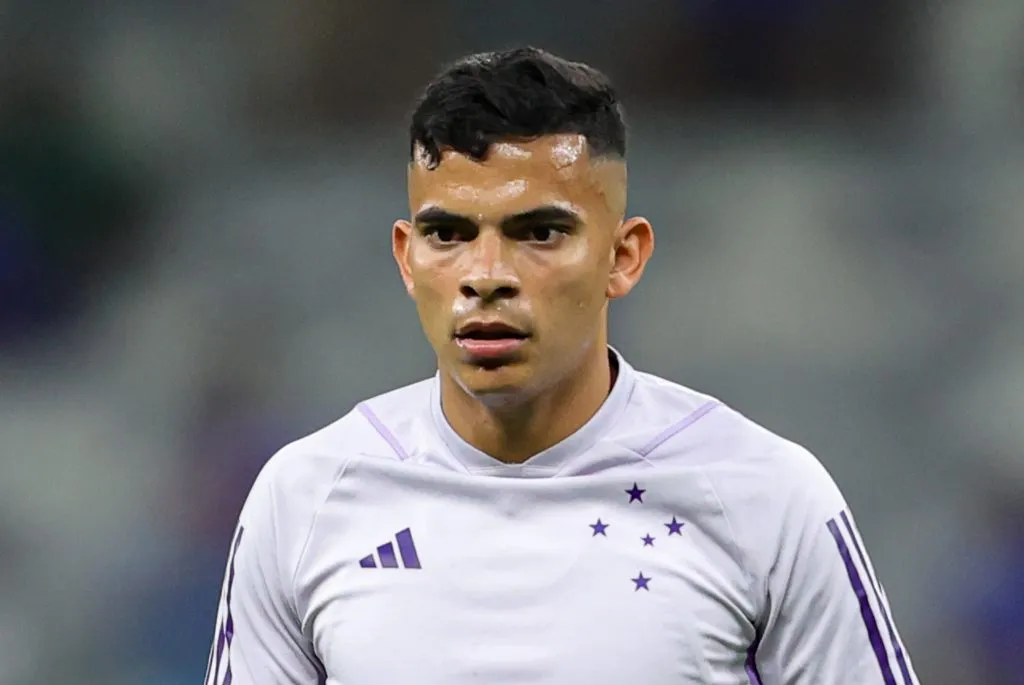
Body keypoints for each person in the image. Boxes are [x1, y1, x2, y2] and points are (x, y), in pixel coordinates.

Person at [204, 46, 919, 685]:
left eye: (539, 232)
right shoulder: (305, 500)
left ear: (624, 255)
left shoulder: (763, 498)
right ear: (406, 257)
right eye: (448, 233)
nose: (486, 274)